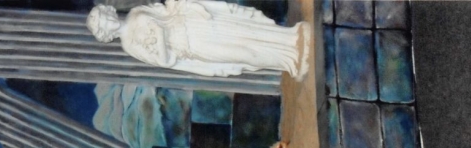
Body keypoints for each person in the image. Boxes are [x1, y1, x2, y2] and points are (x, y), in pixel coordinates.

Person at [86, 1, 310, 80]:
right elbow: (164, 60)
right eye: (102, 24)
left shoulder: (136, 12)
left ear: (109, 11)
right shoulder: (129, 45)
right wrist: (160, 34)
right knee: (242, 53)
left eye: (103, 16)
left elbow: (167, 9)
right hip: (191, 46)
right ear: (105, 34)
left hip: (193, 24)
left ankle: (290, 38)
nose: (107, 21)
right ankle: (288, 60)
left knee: (245, 31)